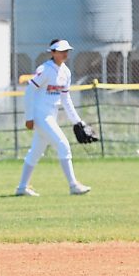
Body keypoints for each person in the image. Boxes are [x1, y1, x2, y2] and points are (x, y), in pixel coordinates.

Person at [16, 39, 91, 196]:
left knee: (36, 152)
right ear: (52, 52)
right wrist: (29, 117)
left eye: (67, 51)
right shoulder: (45, 69)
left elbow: (66, 99)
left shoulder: (66, 72)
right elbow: (29, 91)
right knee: (63, 144)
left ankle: (22, 187)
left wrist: (77, 120)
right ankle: (73, 185)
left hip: (51, 114)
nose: (65, 53)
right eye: (61, 51)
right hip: (40, 115)